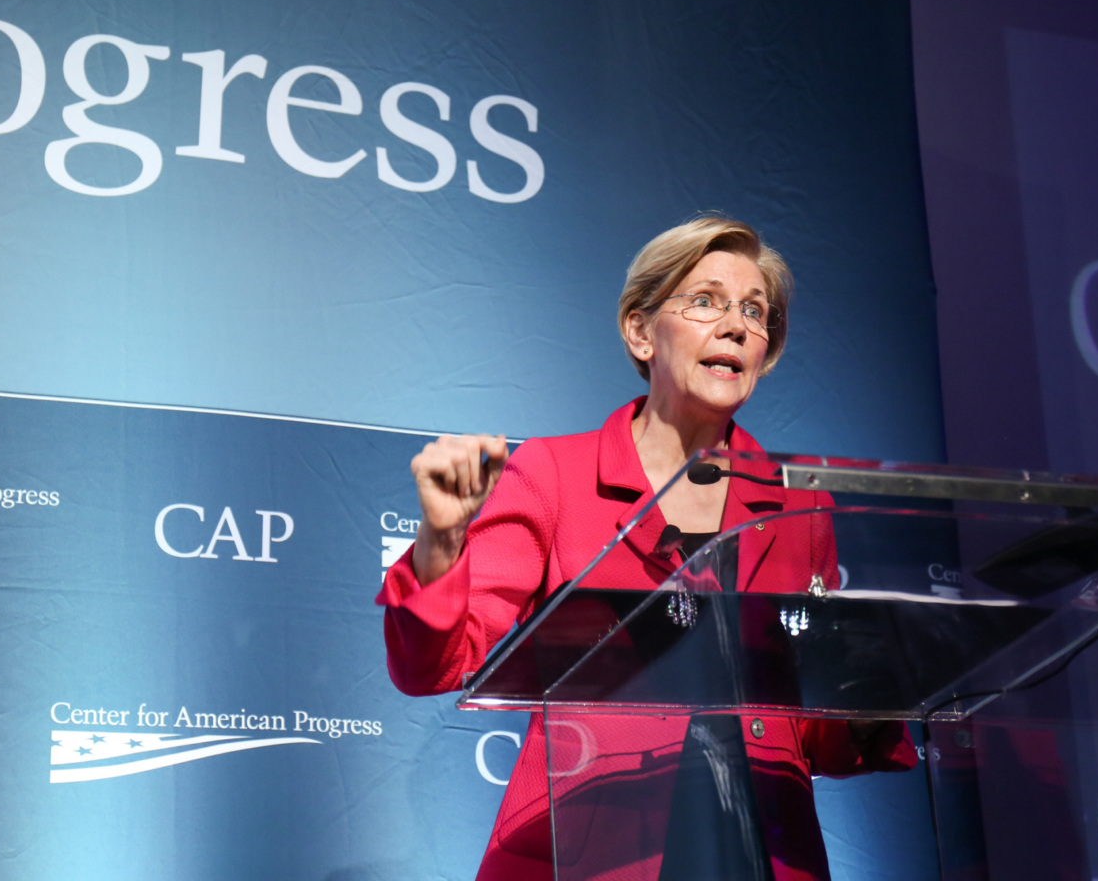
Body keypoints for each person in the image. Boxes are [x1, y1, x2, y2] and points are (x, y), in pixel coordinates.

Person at [376, 215, 917, 881]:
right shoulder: (554, 476)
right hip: (591, 852)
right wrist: (441, 540)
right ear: (640, 331)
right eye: (707, 301)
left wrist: (880, 689)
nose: (737, 326)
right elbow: (434, 665)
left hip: (756, 851)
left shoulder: (801, 506)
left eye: (756, 311)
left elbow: (812, 734)